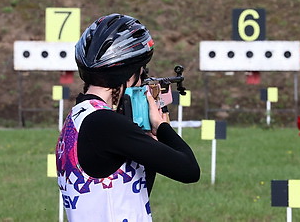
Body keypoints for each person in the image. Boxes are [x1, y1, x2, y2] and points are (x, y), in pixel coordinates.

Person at [55, 13, 200, 222]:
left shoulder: (78, 118)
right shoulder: (105, 124)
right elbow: (189, 170)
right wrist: (161, 126)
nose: (142, 81)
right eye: (141, 75)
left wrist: (147, 135)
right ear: (129, 75)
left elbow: (134, 195)